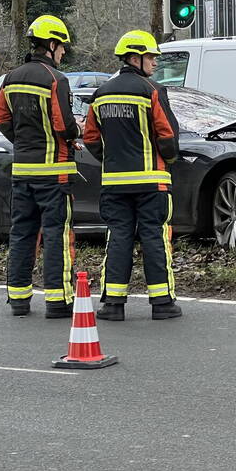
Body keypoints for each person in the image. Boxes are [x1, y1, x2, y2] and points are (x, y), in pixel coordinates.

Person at [83, 30, 183, 321]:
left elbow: (90, 138)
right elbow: (168, 136)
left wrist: (110, 160)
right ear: (135, 57)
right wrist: (171, 159)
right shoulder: (151, 91)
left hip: (114, 182)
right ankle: (162, 302)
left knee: (118, 237)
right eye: (151, 57)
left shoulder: (101, 94)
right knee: (154, 237)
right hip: (152, 181)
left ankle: (113, 304)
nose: (154, 62)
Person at [0, 15, 80, 318]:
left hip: (22, 171)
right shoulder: (56, 80)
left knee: (22, 233)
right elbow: (64, 125)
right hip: (54, 172)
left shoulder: (11, 78)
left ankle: (18, 299)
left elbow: (1, 119)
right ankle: (58, 301)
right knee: (57, 234)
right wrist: (76, 134)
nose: (64, 53)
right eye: (62, 48)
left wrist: (21, 141)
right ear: (52, 44)